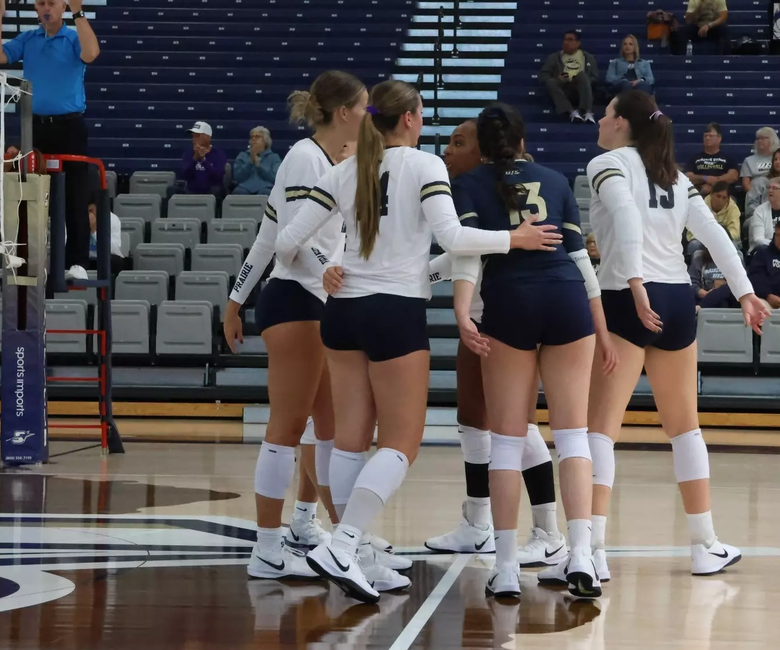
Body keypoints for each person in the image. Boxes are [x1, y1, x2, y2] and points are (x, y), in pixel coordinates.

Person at [272, 80, 562, 604]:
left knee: (349, 442)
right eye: (422, 113)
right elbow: (454, 239)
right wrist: (513, 238)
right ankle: (345, 544)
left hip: (343, 313)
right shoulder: (425, 166)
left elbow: (287, 241)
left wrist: (327, 267)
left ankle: (357, 556)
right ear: (408, 119)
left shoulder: (343, 170)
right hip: (395, 313)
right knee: (401, 445)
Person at [560, 90, 767, 583]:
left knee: (599, 430)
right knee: (685, 428)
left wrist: (634, 282)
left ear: (621, 124)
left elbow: (626, 217)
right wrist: (745, 293)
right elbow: (714, 235)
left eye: (606, 115)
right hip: (677, 298)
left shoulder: (607, 163)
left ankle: (596, 550)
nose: (600, 121)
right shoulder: (674, 174)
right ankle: (705, 545)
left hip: (628, 295)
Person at [222, 71, 402, 586]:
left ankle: (342, 542)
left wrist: (236, 299)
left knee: (330, 430)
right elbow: (288, 241)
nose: (370, 118)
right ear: (343, 113)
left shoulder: (332, 162)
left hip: (316, 301)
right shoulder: (304, 157)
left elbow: (268, 233)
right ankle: (267, 549)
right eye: (365, 109)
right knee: (286, 426)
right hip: (296, 299)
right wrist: (239, 299)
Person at [449, 103, 611, 599]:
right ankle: (580, 555)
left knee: (505, 442)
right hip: (567, 301)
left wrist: (462, 313)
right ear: (523, 141)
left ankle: (504, 568)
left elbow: (468, 256)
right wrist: (602, 328)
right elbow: (581, 261)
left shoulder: (469, 184)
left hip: (511, 304)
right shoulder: (556, 180)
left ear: (483, 145)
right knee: (574, 436)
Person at [411, 121, 568, 569]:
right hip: (481, 319)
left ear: (484, 151)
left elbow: (468, 252)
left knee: (516, 427)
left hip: (505, 319)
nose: (447, 151)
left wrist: (413, 278)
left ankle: (548, 531)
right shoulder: (473, 188)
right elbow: (464, 253)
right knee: (471, 420)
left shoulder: (494, 189)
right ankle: (477, 523)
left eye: (458, 143)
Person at [0, 0, 100, 281]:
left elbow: (91, 53)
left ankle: (77, 262)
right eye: (41, 3)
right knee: (32, 196)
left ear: (62, 7)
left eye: (51, 3)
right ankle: (31, 260)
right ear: (36, 9)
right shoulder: (29, 38)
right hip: (35, 126)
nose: (46, 8)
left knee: (75, 195)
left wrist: (78, 12)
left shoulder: (73, 37)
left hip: (70, 126)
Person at [539, 30, 600, 124]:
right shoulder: (554, 57)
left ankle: (586, 112)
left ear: (578, 43)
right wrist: (558, 79)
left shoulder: (588, 57)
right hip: (563, 89)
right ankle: (571, 112)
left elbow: (595, 77)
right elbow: (543, 75)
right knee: (551, 82)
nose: (566, 42)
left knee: (582, 75)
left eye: (570, 39)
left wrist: (585, 81)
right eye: (565, 39)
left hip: (582, 89)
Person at [685, 181, 740, 258]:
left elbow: (735, 232)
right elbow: (691, 232)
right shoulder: (700, 206)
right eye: (718, 196)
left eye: (724, 198)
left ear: (728, 199)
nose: (720, 200)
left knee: (734, 246)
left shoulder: (733, 209)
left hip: (725, 240)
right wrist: (709, 239)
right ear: (711, 194)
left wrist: (720, 238)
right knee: (694, 245)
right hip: (703, 241)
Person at [685, 123, 739, 196]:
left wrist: (713, 184)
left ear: (719, 138)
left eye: (710, 136)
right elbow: (688, 177)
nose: (707, 138)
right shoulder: (694, 158)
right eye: (705, 136)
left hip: (722, 195)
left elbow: (733, 176)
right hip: (700, 194)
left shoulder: (727, 157)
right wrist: (705, 178)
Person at [179, 121, 227, 200]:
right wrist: (195, 160)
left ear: (208, 137)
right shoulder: (188, 153)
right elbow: (185, 175)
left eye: (197, 136)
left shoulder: (218, 154)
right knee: (172, 190)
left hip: (211, 191)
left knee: (217, 191)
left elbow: (218, 176)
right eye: (193, 136)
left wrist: (203, 161)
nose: (193, 139)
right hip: (191, 190)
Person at [232, 127, 282, 196]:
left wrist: (259, 166)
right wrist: (250, 163)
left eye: (257, 136)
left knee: (265, 193)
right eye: (252, 137)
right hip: (244, 187)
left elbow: (275, 178)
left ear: (265, 140)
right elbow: (237, 177)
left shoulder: (274, 157)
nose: (253, 139)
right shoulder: (243, 155)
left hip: (266, 188)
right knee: (239, 192)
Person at [86, 196, 124, 277]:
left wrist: (94, 232)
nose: (89, 215)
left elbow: (114, 249)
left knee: (115, 262)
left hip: (105, 258)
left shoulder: (112, 219)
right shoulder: (76, 218)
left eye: (91, 211)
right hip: (86, 258)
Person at [740, 127, 779, 193]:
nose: (760, 141)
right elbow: (746, 184)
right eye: (758, 139)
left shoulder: (779, 159)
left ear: (772, 140)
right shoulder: (748, 160)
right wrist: (756, 195)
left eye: (763, 138)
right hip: (756, 193)